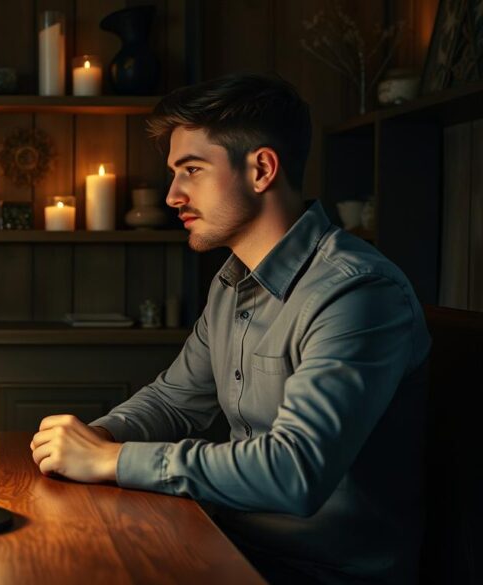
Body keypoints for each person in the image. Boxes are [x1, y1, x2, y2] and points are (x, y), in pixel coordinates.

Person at [29, 74, 430, 585]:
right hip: (227, 545)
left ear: (261, 169)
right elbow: (174, 401)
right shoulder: (233, 280)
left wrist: (113, 459)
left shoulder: (357, 293)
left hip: (320, 574)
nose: (173, 194)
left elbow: (294, 471)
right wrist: (96, 437)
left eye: (191, 170)